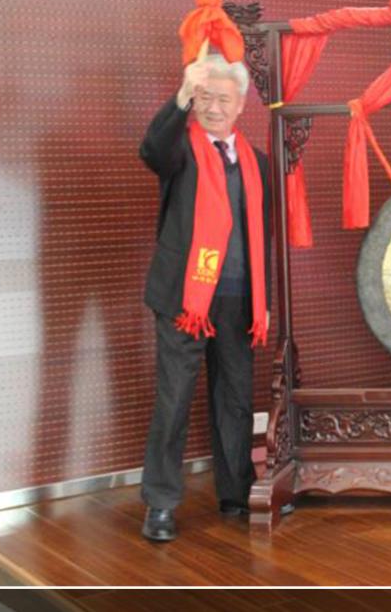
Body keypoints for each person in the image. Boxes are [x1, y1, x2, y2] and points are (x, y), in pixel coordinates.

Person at [138, 54, 272, 542]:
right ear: (195, 101)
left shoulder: (257, 162)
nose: (214, 108)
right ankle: (160, 504)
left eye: (223, 99)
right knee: (174, 400)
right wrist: (180, 96)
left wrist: (264, 298)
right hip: (185, 298)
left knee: (235, 399)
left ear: (240, 105)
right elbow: (152, 149)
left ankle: (236, 491)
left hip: (238, 298)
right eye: (204, 98)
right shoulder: (180, 151)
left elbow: (263, 237)